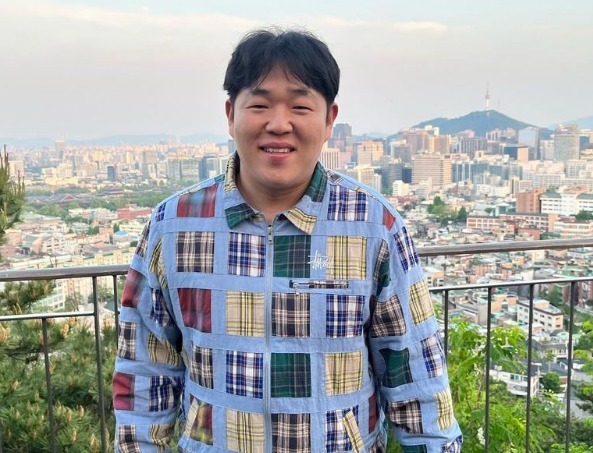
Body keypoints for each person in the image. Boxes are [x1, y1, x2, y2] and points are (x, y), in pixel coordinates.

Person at [113, 28, 463, 452]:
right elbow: (145, 368)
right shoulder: (174, 224)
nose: (279, 124)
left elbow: (415, 375)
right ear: (230, 115)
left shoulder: (374, 225)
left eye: (300, 106)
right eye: (259, 105)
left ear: (330, 120)